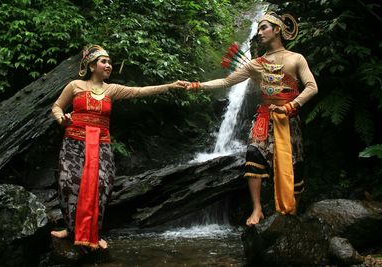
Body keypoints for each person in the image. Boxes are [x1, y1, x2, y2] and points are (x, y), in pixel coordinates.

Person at [183, 12, 318, 226]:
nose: (259, 32)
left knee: (294, 165)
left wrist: (292, 105)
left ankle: (293, 210)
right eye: (258, 28)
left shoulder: (296, 58)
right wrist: (198, 85)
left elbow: (312, 87)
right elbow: (227, 81)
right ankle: (257, 209)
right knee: (253, 155)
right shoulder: (255, 64)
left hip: (288, 118)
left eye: (264, 27)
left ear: (277, 30)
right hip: (264, 117)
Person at [51, 45, 185, 249]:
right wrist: (62, 120)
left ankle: (94, 234)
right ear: (92, 65)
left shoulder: (111, 89)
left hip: (101, 143)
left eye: (109, 63)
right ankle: (70, 231)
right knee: (68, 184)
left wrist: (171, 85)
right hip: (73, 141)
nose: (109, 65)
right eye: (104, 62)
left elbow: (140, 91)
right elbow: (57, 106)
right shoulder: (75, 85)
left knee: (103, 185)